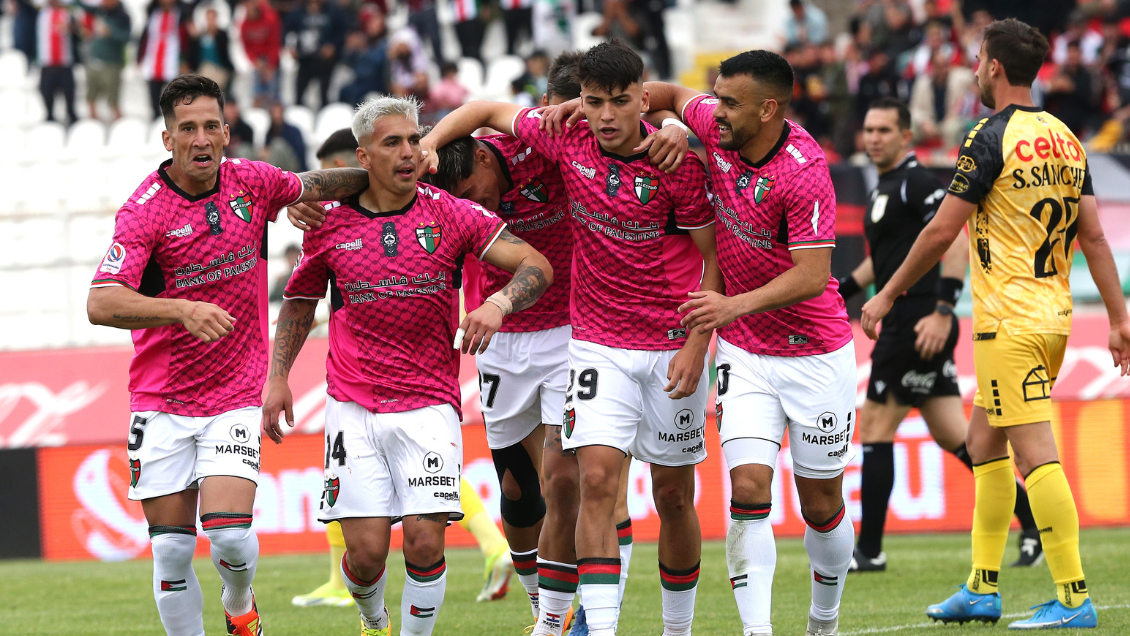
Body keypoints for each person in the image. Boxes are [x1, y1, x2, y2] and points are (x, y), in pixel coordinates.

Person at [426, 40, 722, 636]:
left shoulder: (674, 162)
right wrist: (429, 142)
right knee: (570, 482)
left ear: (640, 98)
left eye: (619, 102)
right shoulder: (562, 138)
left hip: (649, 339)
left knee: (660, 493)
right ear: (578, 103)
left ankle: (664, 627)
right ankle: (564, 621)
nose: (605, 115)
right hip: (580, 341)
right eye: (593, 102)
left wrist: (698, 342)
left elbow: (713, 253)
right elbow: (484, 110)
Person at [861, 19, 1130, 629]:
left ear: (995, 68)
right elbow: (1093, 237)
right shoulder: (1066, 139)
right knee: (984, 445)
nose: (975, 70)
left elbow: (940, 231)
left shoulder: (988, 136)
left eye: (978, 60)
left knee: (1035, 458)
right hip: (1052, 316)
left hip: (1008, 321)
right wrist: (1118, 319)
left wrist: (886, 294)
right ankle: (981, 588)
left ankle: (1073, 598)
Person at [86, 73, 373, 636]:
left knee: (230, 536)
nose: (201, 139)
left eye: (211, 126)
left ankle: (239, 605)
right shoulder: (144, 211)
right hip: (161, 400)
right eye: (187, 128)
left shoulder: (253, 182)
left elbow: (315, 183)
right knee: (171, 552)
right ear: (168, 138)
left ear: (225, 131)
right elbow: (101, 302)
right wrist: (181, 310)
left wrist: (385, 170)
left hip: (235, 392)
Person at [262, 94, 553, 636]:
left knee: (424, 541)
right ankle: (374, 622)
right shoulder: (329, 224)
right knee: (366, 554)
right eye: (391, 142)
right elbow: (300, 301)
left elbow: (535, 264)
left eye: (414, 140)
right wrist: (278, 377)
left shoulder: (453, 213)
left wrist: (498, 302)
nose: (407, 152)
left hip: (429, 402)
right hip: (353, 402)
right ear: (363, 157)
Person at [596, 49, 857, 636]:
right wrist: (667, 122)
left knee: (820, 504)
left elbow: (812, 274)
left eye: (730, 103)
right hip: (745, 352)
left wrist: (730, 305)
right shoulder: (715, 125)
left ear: (768, 109)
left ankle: (824, 620)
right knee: (747, 489)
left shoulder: (803, 169)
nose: (714, 112)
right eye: (714, 97)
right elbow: (664, 94)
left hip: (815, 353)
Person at [842, 97, 1042, 574]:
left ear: (906, 136)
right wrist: (839, 290)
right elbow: (884, 261)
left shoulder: (916, 182)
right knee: (961, 440)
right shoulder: (885, 186)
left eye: (884, 130)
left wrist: (944, 311)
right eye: (869, 129)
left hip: (918, 322)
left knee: (875, 427)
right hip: (910, 319)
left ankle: (869, 550)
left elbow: (953, 239)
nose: (874, 138)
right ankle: (1035, 526)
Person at [285, 0, 347, 109]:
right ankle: (300, 113)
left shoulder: (333, 11)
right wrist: (291, 47)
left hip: (324, 61)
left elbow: (342, 32)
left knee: (324, 96)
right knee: (299, 95)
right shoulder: (298, 11)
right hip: (304, 60)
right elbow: (288, 30)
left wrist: (333, 46)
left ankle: (324, 113)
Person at [138, 0, 192, 120]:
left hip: (172, 59)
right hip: (153, 59)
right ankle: (156, 118)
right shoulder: (153, 13)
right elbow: (144, 37)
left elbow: (186, 40)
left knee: (175, 94)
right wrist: (139, 58)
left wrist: (185, 60)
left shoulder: (182, 14)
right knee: (154, 94)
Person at [82, 0, 132, 121]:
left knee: (113, 95)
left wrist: (110, 32)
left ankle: (118, 121)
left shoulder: (122, 16)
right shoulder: (99, 12)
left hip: (112, 62)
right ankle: (92, 119)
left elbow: (126, 38)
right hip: (94, 60)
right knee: (92, 93)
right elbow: (82, 5)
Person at [36, 0, 78, 125]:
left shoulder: (68, 14)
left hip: (64, 62)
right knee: (47, 93)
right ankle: (49, 117)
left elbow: (79, 32)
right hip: (47, 63)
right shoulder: (41, 13)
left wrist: (70, 27)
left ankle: (71, 116)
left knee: (69, 92)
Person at [239, 0, 282, 107]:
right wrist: (254, 60)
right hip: (258, 60)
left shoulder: (271, 17)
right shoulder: (244, 25)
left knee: (273, 92)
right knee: (257, 93)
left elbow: (275, 42)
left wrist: (271, 65)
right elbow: (247, 47)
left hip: (272, 58)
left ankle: (274, 108)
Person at [186, 7, 234, 92]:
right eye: (208, 18)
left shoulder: (222, 35)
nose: (210, 21)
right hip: (202, 71)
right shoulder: (200, 36)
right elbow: (193, 56)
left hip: (219, 70)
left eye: (212, 18)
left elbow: (226, 54)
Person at [264, 101, 308, 172]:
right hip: (278, 163)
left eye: (279, 112)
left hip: (294, 165)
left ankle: (271, 173)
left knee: (277, 144)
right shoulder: (270, 132)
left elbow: (300, 153)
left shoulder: (293, 131)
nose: (277, 116)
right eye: (274, 113)